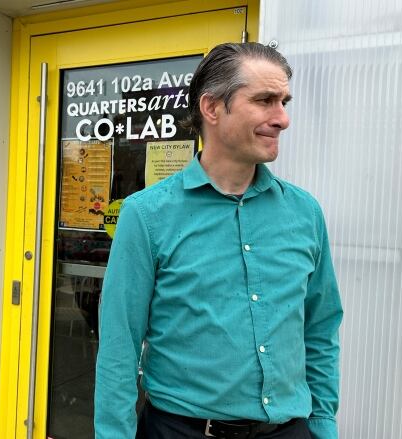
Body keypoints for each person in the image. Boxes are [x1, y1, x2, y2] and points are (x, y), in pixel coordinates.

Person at [94, 42, 343, 439]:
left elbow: (320, 328)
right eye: (265, 100)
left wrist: (323, 426)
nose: (282, 118)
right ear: (212, 108)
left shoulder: (304, 213)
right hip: (181, 431)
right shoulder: (147, 215)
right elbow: (119, 346)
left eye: (284, 101)